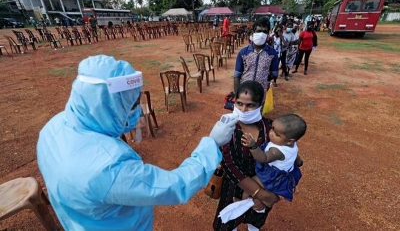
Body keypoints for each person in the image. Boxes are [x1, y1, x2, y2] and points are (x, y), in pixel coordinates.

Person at [36, 55, 238, 230]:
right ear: (107, 106)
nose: (138, 111)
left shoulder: (52, 127)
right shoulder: (109, 167)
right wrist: (212, 144)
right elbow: (174, 186)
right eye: (131, 105)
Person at [213, 80, 280, 231]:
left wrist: (264, 196)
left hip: (264, 183)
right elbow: (229, 165)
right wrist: (260, 194)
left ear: (260, 105)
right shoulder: (227, 128)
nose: (243, 110)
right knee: (228, 222)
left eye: (250, 105)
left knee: (255, 220)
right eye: (239, 103)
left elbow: (280, 163)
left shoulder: (270, 129)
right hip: (234, 184)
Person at [241, 113, 306, 203]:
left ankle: (242, 203)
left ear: (289, 141)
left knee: (250, 186)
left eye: (277, 134)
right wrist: (300, 163)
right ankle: (262, 203)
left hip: (272, 176)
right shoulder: (292, 145)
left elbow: (263, 158)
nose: (271, 133)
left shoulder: (276, 151)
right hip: (284, 175)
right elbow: (296, 157)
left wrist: (253, 146)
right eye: (272, 128)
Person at [234, 17, 279, 93]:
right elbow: (237, 76)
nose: (261, 34)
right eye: (259, 31)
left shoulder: (272, 53)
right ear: (253, 32)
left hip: (261, 91)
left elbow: (274, 73)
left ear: (268, 34)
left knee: (260, 105)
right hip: (244, 90)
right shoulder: (243, 53)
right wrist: (237, 94)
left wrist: (265, 80)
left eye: (264, 32)